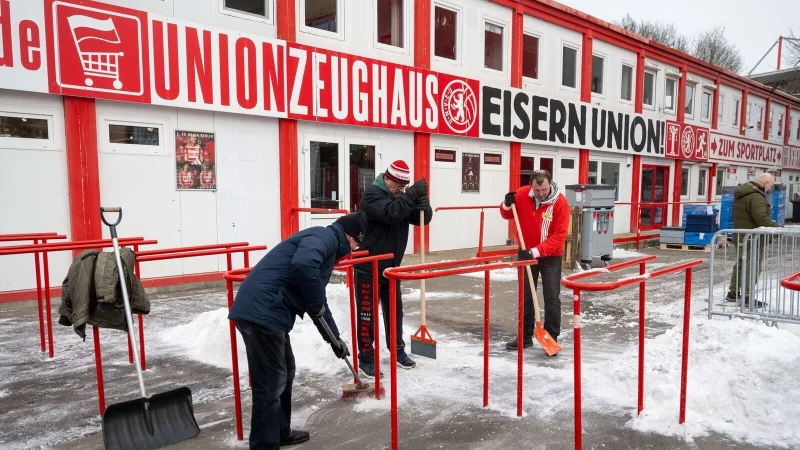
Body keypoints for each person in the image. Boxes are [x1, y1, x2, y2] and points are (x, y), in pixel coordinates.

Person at [228, 212, 368, 450]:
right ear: (350, 236)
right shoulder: (324, 238)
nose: (354, 250)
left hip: (270, 313)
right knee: (270, 382)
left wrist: (334, 340)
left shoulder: (326, 244)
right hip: (262, 312)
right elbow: (304, 265)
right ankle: (264, 445)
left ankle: (279, 431)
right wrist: (314, 303)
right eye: (356, 245)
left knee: (286, 370)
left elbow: (318, 303)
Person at [355, 160, 432, 377]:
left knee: (395, 313)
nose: (400, 190)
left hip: (391, 269)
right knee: (367, 315)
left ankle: (397, 350)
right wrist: (411, 195)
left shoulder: (400, 198)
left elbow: (421, 219)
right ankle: (366, 358)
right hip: (368, 267)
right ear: (387, 179)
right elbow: (391, 214)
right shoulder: (372, 195)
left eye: (404, 186)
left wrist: (423, 202)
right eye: (398, 185)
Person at [500, 169, 569, 350]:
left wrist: (535, 252)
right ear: (531, 185)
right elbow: (507, 214)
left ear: (550, 184)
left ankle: (551, 337)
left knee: (551, 297)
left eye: (544, 189)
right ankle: (525, 336)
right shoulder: (523, 194)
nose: (540, 193)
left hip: (550, 256)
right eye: (537, 190)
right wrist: (506, 204)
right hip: (525, 252)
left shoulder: (560, 203)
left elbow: (558, 236)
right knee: (526, 296)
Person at [726, 173, 781, 306]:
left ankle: (733, 292)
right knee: (752, 266)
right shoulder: (756, 197)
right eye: (771, 185)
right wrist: (778, 229)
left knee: (741, 263)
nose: (770, 188)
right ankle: (747, 297)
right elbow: (761, 218)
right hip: (753, 238)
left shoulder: (743, 192)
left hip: (741, 235)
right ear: (765, 183)